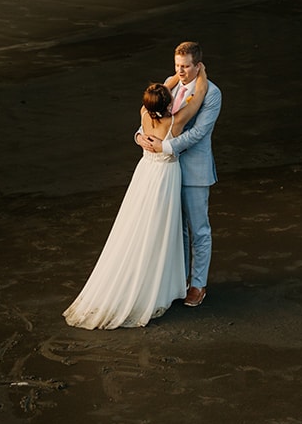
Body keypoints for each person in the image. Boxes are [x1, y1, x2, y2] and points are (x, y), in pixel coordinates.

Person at [63, 77, 207, 330]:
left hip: (144, 175)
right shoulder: (175, 122)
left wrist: (172, 79)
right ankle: (160, 282)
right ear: (169, 102)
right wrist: (200, 71)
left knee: (137, 222)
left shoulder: (144, 114)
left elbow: (163, 88)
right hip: (164, 179)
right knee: (160, 227)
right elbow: (200, 94)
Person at [138, 42, 221, 308]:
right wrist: (139, 136)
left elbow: (199, 133)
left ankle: (198, 285)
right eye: (177, 66)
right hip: (166, 172)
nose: (180, 71)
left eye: (185, 66)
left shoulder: (212, 94)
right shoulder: (169, 84)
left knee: (198, 230)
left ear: (198, 65)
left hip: (194, 170)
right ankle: (179, 281)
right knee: (176, 231)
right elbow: (151, 115)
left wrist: (165, 147)